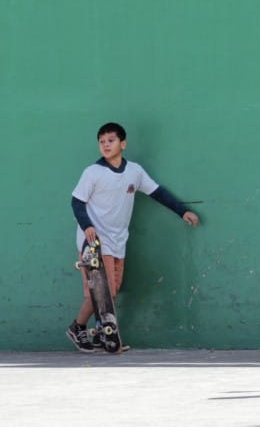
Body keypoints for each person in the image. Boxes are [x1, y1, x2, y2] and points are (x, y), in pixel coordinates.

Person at [66, 122, 200, 352]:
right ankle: (85, 330)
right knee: (102, 292)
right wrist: (87, 225)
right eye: (102, 142)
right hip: (95, 242)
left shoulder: (134, 172)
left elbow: (157, 192)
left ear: (123, 143)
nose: (106, 145)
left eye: (111, 140)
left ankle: (85, 330)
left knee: (110, 292)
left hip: (118, 241)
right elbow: (77, 202)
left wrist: (182, 211)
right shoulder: (93, 172)